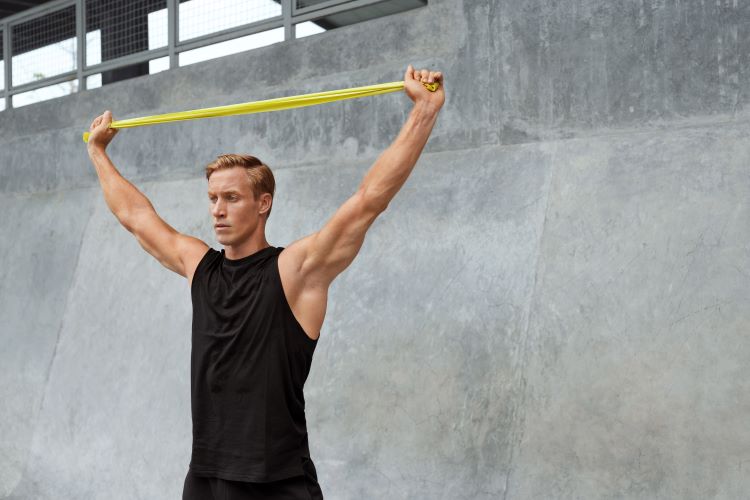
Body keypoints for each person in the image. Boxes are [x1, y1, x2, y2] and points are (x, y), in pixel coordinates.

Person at [85, 64, 444, 500]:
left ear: (263, 203)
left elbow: (368, 201)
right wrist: (99, 154)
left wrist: (423, 111)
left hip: (276, 482)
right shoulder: (201, 266)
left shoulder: (296, 270)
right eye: (213, 198)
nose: (217, 209)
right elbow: (136, 217)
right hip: (206, 477)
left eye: (231, 198)